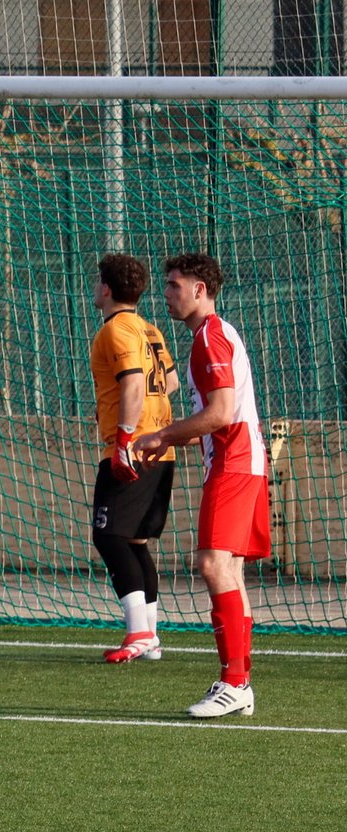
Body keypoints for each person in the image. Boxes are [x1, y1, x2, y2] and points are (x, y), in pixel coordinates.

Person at [136, 253, 269, 718]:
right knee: (228, 570)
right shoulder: (212, 335)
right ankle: (239, 682)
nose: (167, 293)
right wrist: (172, 436)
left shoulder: (210, 337)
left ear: (200, 290)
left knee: (213, 565)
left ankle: (234, 683)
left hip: (235, 460)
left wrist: (162, 435)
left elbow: (220, 414)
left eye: (175, 285)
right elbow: (215, 418)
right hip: (241, 459)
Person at [87, 254, 180, 663]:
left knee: (107, 536)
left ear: (107, 289)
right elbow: (169, 381)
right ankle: (150, 637)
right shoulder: (150, 329)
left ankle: (139, 632)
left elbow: (134, 384)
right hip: (161, 448)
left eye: (97, 282)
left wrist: (124, 436)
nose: (95, 288)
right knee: (135, 540)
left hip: (134, 447)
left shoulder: (116, 329)